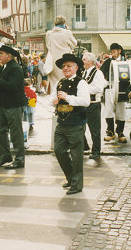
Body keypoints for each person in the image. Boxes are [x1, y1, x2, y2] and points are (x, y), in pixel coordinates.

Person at [51, 53, 90, 195]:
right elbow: (51, 99)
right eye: (63, 66)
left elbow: (86, 101)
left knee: (76, 155)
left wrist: (68, 97)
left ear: (76, 67)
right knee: (59, 151)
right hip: (61, 122)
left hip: (75, 123)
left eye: (69, 66)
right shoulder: (59, 82)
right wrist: (54, 101)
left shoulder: (81, 83)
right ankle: (71, 178)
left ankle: (76, 184)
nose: (65, 68)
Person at [0, 45, 26, 169]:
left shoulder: (15, 68)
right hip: (4, 104)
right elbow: (6, 85)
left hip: (13, 105)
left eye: (1, 53)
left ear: (9, 56)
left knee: (16, 133)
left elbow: (12, 86)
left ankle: (19, 159)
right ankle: (5, 156)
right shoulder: (7, 67)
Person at [100, 43, 131, 143]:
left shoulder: (126, 62)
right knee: (109, 110)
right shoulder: (108, 62)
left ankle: (120, 132)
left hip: (122, 89)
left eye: (114, 51)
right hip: (110, 89)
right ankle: (110, 131)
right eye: (111, 51)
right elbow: (101, 73)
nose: (112, 53)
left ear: (119, 51)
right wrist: (105, 82)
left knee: (121, 111)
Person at [81, 52, 106, 159]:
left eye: (84, 60)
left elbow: (99, 88)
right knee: (79, 127)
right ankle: (84, 146)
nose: (83, 62)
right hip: (83, 104)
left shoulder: (98, 73)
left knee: (94, 130)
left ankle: (96, 151)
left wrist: (84, 90)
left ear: (91, 61)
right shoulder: (84, 73)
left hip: (93, 104)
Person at [45, 15, 77, 91]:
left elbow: (48, 46)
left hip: (53, 61)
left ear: (55, 23)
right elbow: (74, 44)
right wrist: (67, 30)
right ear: (64, 23)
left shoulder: (49, 34)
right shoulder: (67, 33)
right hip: (64, 60)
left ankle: (54, 99)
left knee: (54, 83)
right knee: (65, 80)